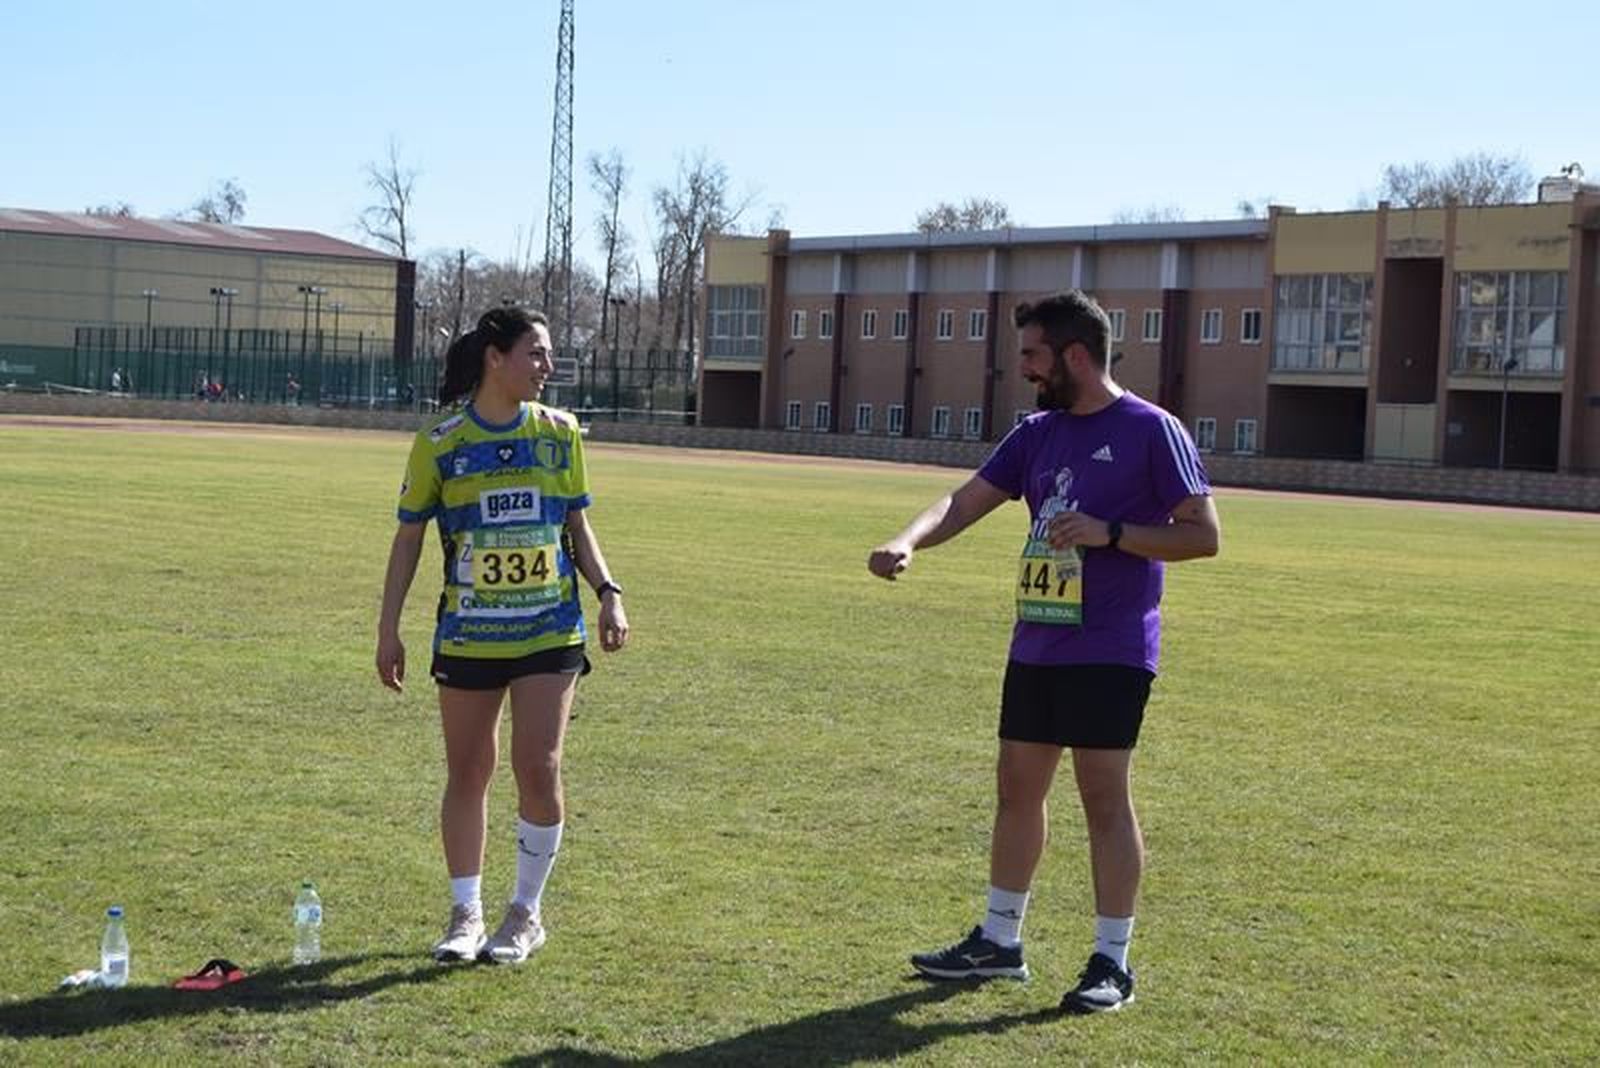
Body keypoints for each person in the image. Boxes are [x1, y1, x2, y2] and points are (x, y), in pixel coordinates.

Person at [867, 290, 1220, 1014]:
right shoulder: (1036, 433)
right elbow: (963, 502)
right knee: (1016, 788)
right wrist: (906, 540)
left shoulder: (1154, 430)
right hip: (1039, 639)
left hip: (1113, 647)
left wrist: (1111, 532)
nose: (1022, 368)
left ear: (1075, 356)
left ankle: (1111, 961)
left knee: (1102, 797)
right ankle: (999, 943)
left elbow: (1202, 535)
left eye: (1032, 354)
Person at [376, 306, 630, 965]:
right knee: (468, 769)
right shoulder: (442, 442)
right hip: (469, 633)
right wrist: (388, 629)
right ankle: (466, 915)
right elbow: (408, 539)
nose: (547, 367)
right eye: (537, 353)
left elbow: (577, 527)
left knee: (538, 767)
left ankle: (525, 914)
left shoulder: (561, 434)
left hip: (550, 627)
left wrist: (609, 593)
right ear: (496, 357)